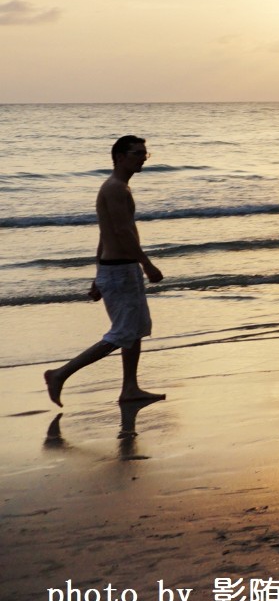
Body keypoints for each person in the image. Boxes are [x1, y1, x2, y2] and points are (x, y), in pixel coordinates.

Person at [44, 135, 166, 409]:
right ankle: (60, 374)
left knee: (136, 329)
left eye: (145, 154)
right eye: (136, 153)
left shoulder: (120, 188)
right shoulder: (114, 189)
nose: (142, 159)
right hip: (120, 270)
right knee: (123, 332)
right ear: (119, 157)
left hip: (118, 269)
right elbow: (121, 232)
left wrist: (97, 274)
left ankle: (130, 388)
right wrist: (147, 264)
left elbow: (105, 234)